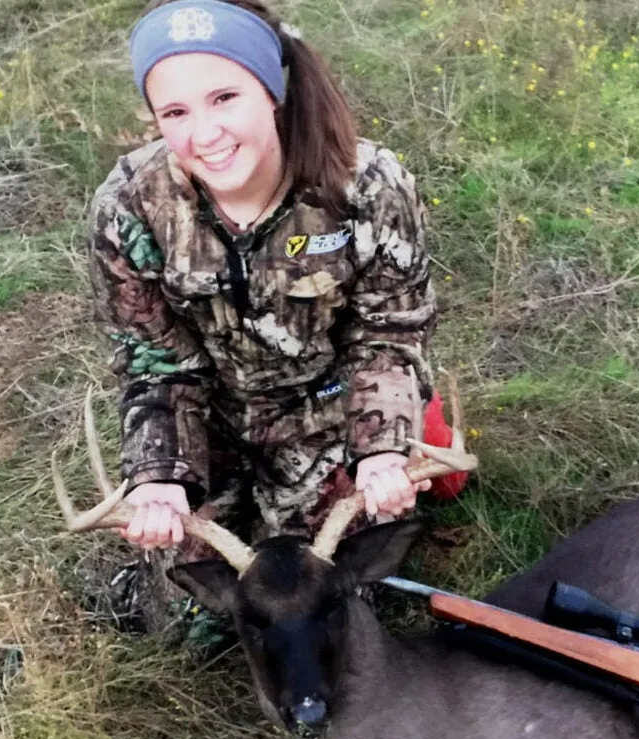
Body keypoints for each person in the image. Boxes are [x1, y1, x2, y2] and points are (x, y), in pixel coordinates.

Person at [88, 0, 459, 590]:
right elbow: (154, 359)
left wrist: (381, 449)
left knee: (319, 593)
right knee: (196, 613)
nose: (205, 135)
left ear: (271, 89)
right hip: (208, 421)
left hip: (329, 412)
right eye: (175, 112)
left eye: (225, 98)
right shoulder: (131, 204)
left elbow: (389, 332)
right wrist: (161, 475)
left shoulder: (366, 187)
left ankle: (402, 445)